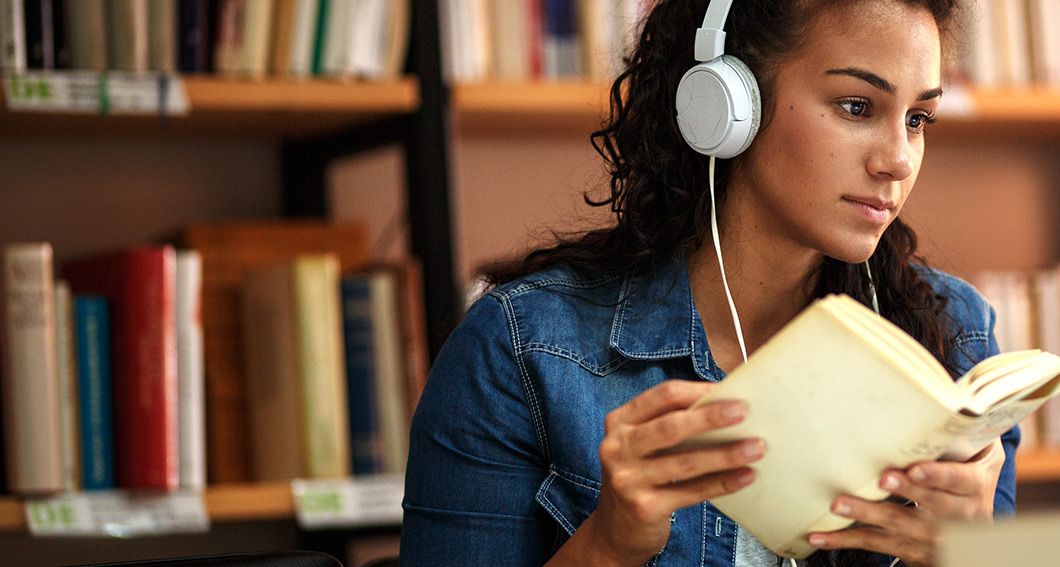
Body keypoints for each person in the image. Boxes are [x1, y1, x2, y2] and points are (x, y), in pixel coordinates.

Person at [399, 0, 1020, 565]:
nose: (899, 160)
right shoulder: (519, 351)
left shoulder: (954, 339)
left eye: (918, 119)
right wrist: (607, 547)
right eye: (857, 107)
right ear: (728, 105)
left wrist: (969, 556)